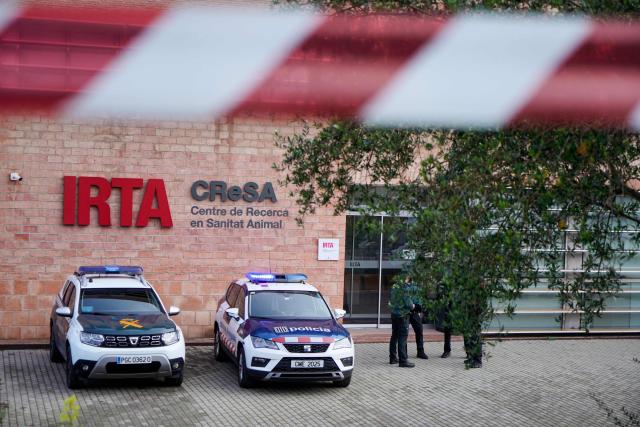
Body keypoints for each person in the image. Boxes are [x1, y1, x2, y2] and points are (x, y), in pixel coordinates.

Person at [388, 279, 415, 368]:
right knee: (402, 338)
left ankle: (392, 358)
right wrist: (413, 306)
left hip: (394, 314)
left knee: (394, 336)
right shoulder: (404, 288)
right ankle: (403, 361)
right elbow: (409, 304)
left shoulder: (395, 286)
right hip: (402, 315)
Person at [405, 276, 428, 359]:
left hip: (414, 312)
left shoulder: (416, 285)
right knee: (404, 333)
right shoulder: (403, 285)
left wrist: (419, 307)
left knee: (419, 330)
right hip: (405, 312)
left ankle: (420, 351)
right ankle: (404, 353)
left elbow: (418, 297)